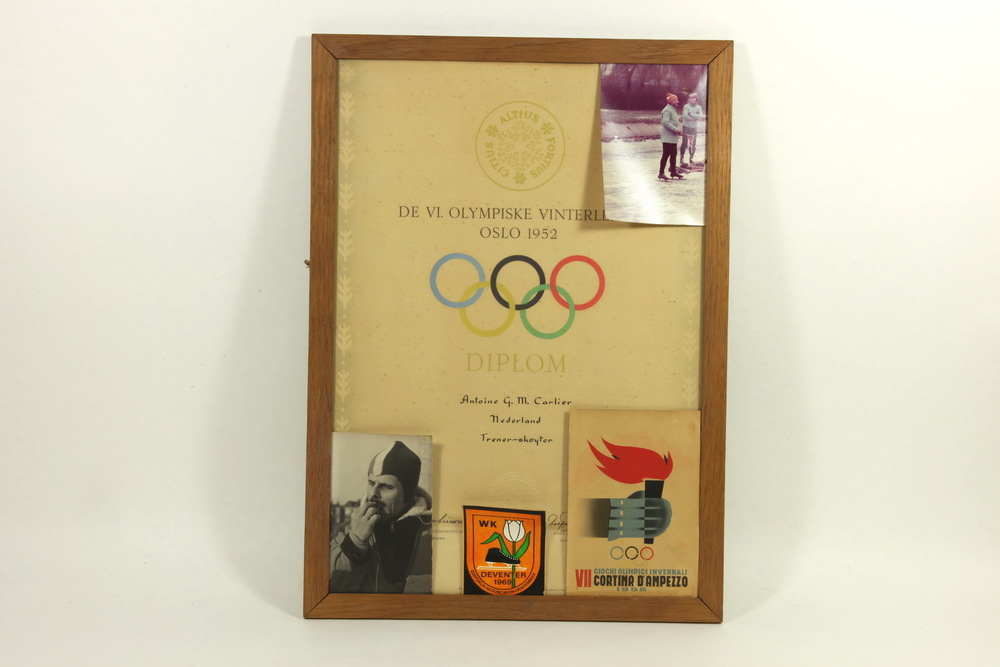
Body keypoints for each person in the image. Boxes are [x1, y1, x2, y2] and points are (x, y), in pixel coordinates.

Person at [329, 440, 432, 593]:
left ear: (407, 494)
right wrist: (355, 543)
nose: (373, 494)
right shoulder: (346, 531)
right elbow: (331, 586)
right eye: (371, 483)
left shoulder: (433, 533)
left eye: (385, 486)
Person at [658, 93, 683, 181]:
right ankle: (661, 173)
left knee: (673, 155)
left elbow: (672, 121)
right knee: (665, 155)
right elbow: (665, 122)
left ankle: (673, 172)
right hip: (667, 137)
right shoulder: (667, 110)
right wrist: (676, 130)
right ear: (671, 101)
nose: (678, 101)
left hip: (672, 137)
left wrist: (677, 130)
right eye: (676, 100)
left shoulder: (672, 109)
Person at [679, 92, 705, 169]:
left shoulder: (698, 107)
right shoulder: (686, 106)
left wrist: (691, 114)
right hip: (686, 127)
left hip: (694, 128)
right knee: (684, 143)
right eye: (691, 98)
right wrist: (694, 118)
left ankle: (691, 158)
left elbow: (700, 116)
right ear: (689, 99)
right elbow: (685, 116)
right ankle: (682, 159)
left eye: (694, 98)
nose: (692, 99)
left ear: (696, 99)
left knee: (692, 144)